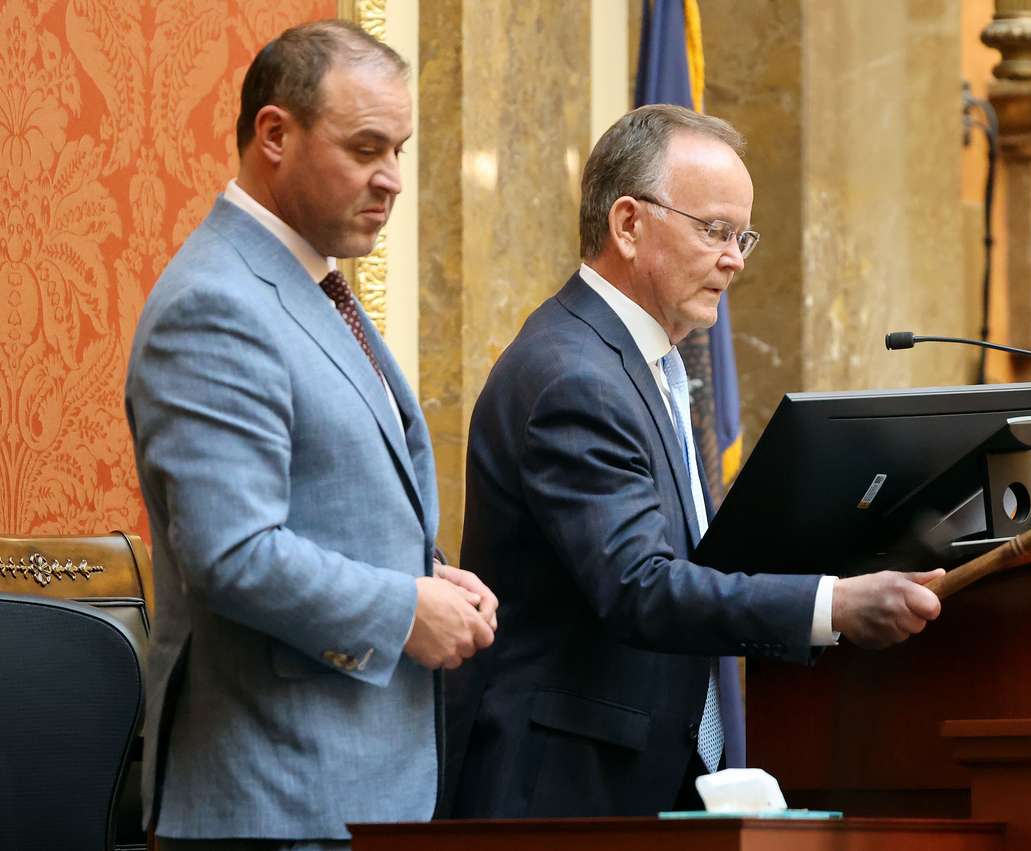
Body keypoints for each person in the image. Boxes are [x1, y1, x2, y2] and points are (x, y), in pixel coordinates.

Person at [446, 104, 943, 818]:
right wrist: (831, 603)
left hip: (635, 779)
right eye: (714, 230)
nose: (736, 258)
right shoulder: (573, 375)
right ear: (627, 223)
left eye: (743, 236)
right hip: (561, 793)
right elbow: (639, 585)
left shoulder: (643, 364)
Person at [125, 20, 496, 850]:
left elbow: (330, 501)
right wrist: (405, 609)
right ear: (275, 135)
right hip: (273, 798)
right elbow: (233, 552)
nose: (392, 179)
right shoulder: (216, 302)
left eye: (399, 150)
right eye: (367, 148)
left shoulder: (312, 280)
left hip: (350, 790)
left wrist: (430, 576)